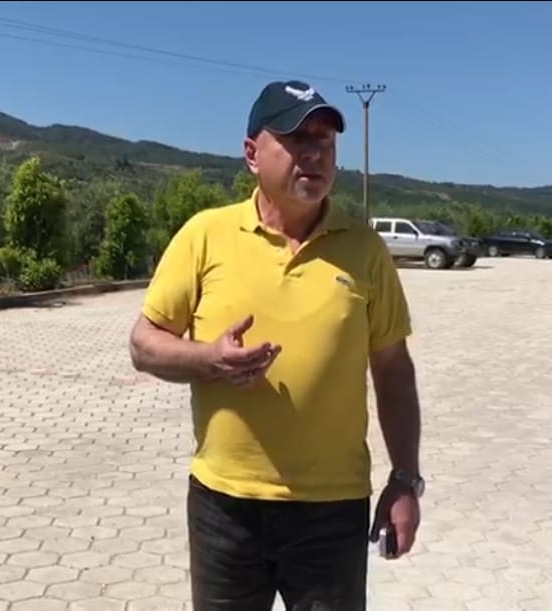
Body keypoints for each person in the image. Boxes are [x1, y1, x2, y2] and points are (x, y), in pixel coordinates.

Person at [128, 79, 424, 611]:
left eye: (325, 140)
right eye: (296, 138)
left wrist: (405, 480)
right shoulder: (205, 235)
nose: (314, 153)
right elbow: (144, 345)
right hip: (225, 506)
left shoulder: (365, 250)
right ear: (251, 154)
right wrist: (210, 359)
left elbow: (394, 371)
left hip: (332, 510)